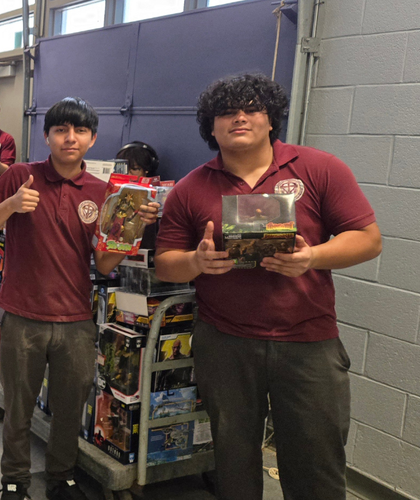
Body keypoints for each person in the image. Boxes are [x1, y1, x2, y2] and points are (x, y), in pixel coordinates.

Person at [154, 74, 381, 500]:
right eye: (226, 112)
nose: (240, 117)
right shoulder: (189, 188)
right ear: (211, 125)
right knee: (233, 464)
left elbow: (368, 239)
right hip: (225, 344)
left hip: (308, 343)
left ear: (271, 118)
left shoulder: (319, 168)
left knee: (317, 464)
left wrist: (312, 257)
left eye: (252, 107)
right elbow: (166, 264)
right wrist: (196, 263)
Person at [0, 97, 158, 500]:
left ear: (92, 139)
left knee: (70, 409)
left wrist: (133, 230)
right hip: (23, 316)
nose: (70, 138)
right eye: (61, 130)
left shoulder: (104, 191)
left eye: (80, 131)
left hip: (76, 320)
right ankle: (15, 482)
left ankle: (61, 477)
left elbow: (105, 264)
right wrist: (11, 204)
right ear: (47, 136)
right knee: (18, 409)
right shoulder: (21, 175)